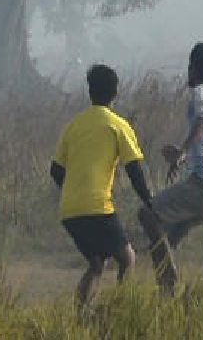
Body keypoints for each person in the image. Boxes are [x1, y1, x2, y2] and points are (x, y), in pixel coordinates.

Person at [50, 64, 154, 309]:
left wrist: (74, 190)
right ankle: (120, 311)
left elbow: (55, 170)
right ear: (115, 92)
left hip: (70, 210)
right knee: (127, 258)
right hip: (98, 206)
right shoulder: (117, 125)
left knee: (97, 264)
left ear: (90, 92)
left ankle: (81, 317)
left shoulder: (74, 126)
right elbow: (134, 169)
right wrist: (149, 200)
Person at [138, 42, 203, 294]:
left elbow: (202, 121)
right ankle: (174, 298)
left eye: (190, 66)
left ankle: (169, 285)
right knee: (167, 240)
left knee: (147, 215)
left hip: (202, 184)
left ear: (195, 69)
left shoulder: (200, 93)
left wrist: (182, 151)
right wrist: (185, 159)